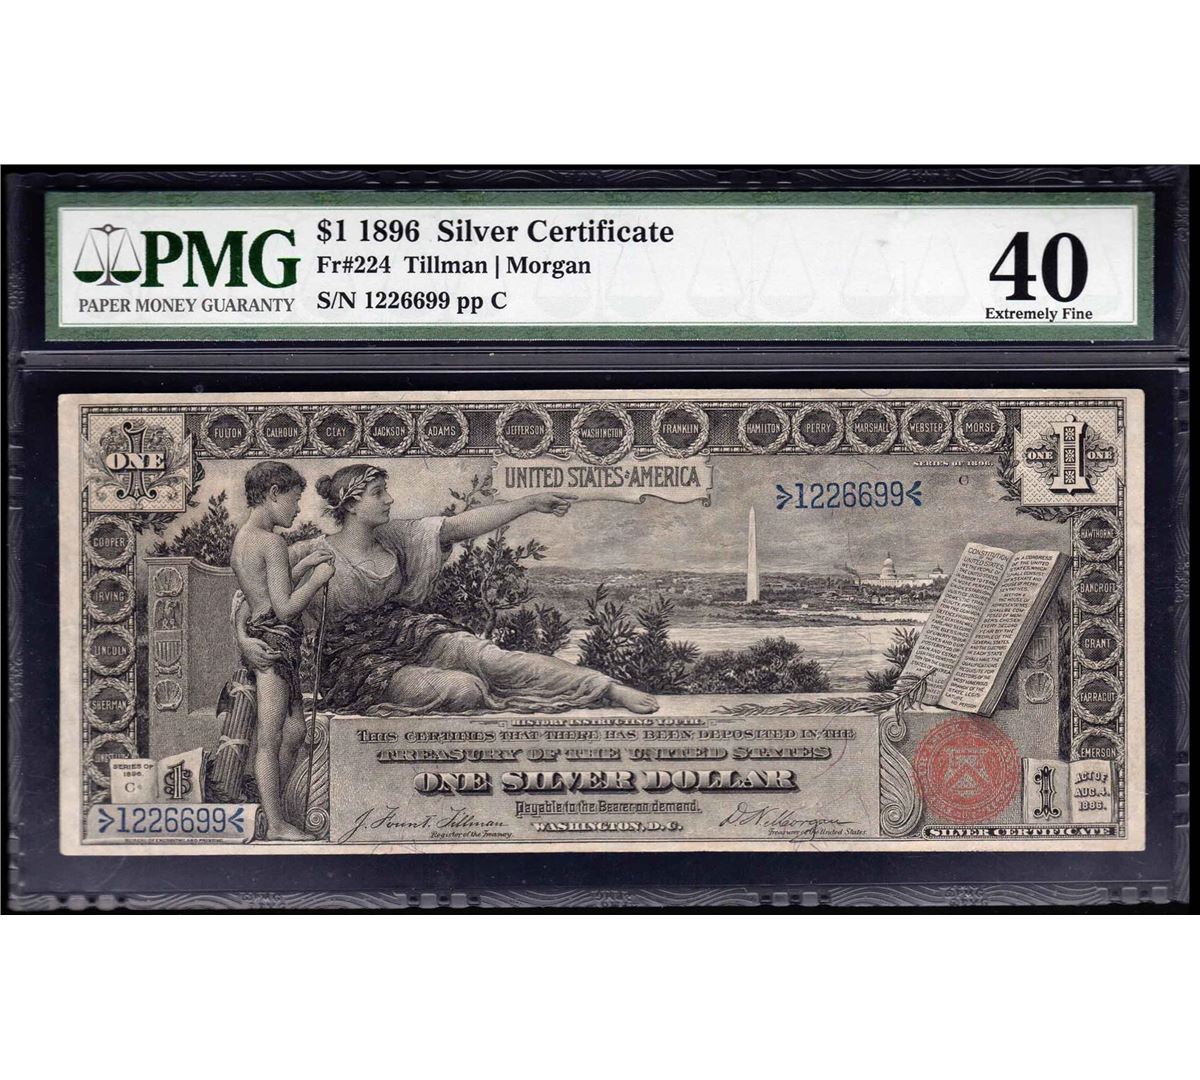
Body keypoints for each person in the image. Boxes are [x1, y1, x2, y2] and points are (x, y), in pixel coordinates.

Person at [235, 463, 658, 717]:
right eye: (379, 493)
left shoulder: (397, 537)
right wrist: (242, 638)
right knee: (465, 689)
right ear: (351, 503)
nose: (389, 500)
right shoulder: (308, 551)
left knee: (492, 659)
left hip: (409, 633)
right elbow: (248, 597)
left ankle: (605, 687)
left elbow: (459, 526)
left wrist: (528, 503)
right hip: (357, 664)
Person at [230, 461, 336, 839]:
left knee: (295, 731)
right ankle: (275, 824)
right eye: (294, 499)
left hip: (271, 639)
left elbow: (263, 592)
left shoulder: (245, 538)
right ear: (274, 494)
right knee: (271, 737)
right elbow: (286, 607)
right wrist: (317, 579)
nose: (297, 508)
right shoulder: (273, 543)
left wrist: (303, 563)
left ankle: (272, 808)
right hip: (274, 644)